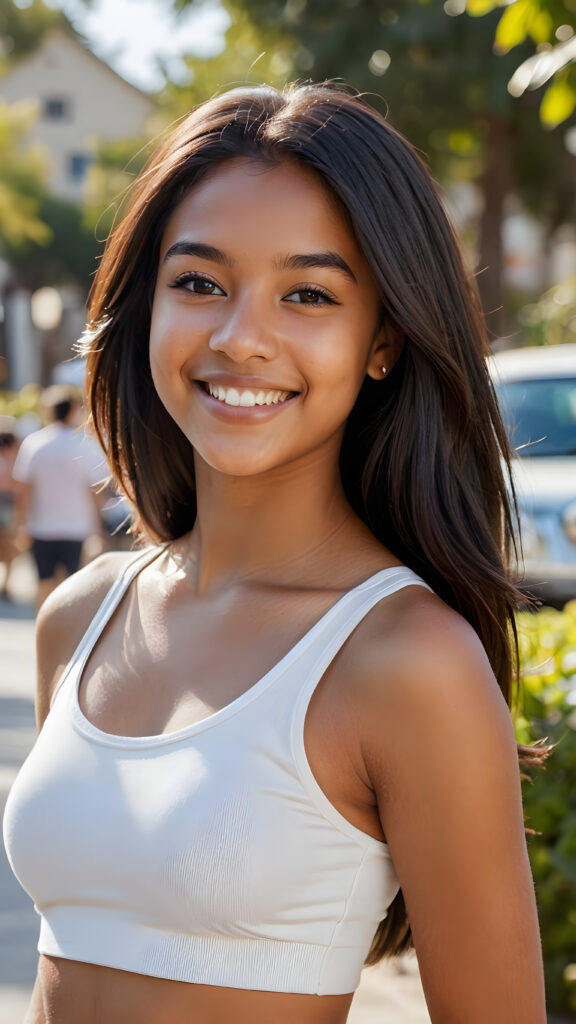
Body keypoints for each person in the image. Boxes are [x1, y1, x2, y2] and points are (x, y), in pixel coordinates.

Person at [3, 84, 551, 1024]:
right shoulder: (81, 619)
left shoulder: (406, 659)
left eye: (308, 294)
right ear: (144, 307)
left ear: (382, 339)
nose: (240, 337)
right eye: (199, 282)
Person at [11, 385, 105, 611]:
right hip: (76, 527)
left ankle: (42, 632)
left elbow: (23, 491)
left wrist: (21, 526)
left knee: (43, 583)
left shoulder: (34, 443)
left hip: (41, 526)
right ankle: (68, 635)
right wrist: (98, 528)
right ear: (73, 409)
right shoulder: (83, 444)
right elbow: (96, 489)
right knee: (73, 584)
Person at [0, 415, 19, 599]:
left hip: (8, 502)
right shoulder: (14, 454)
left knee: (8, 545)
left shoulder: (15, 454)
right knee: (7, 544)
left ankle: (6, 583)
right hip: (8, 502)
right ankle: (5, 583)